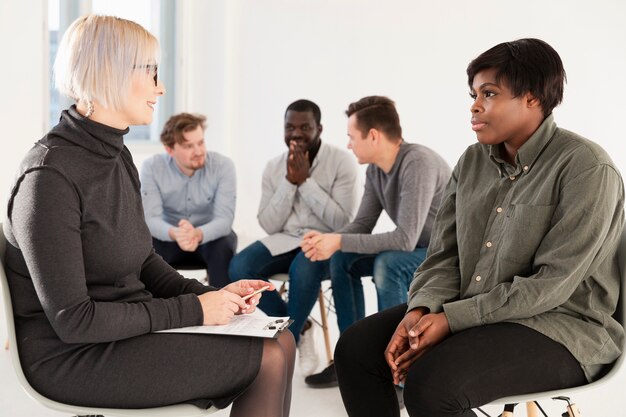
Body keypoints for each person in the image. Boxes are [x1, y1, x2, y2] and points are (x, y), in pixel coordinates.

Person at [3, 15, 295, 417]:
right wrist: (194, 311)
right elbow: (75, 322)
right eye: (151, 72)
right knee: (267, 355)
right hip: (71, 355)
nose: (161, 87)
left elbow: (142, 261)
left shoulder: (116, 155)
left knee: (282, 341)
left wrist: (210, 296)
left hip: (125, 331)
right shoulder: (48, 179)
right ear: (111, 72)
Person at [334, 38, 624, 417]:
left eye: (489, 94)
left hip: (564, 327)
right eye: (473, 94)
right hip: (476, 308)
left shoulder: (586, 168)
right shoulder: (472, 162)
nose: (474, 105)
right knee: (356, 349)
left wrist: (451, 321)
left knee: (433, 384)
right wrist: (420, 310)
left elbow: (551, 284)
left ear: (533, 98)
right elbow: (444, 255)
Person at [301, 96, 451, 388]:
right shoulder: (375, 171)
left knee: (388, 264)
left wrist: (339, 240)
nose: (348, 144)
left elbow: (404, 239)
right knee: (342, 259)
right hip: (417, 248)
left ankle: (399, 374)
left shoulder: (417, 163)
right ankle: (351, 359)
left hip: (444, 253)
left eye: (351, 137)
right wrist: (330, 240)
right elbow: (362, 225)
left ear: (373, 135)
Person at [229, 99, 358, 375]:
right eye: (289, 127)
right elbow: (268, 223)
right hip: (284, 239)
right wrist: (289, 182)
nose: (296, 133)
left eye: (304, 127)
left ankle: (281, 345)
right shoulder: (274, 167)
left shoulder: (341, 162)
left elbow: (343, 221)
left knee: (304, 267)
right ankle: (297, 329)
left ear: (319, 129)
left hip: (324, 242)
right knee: (239, 267)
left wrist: (306, 182)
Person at [141, 112, 237, 287]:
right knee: (147, 245)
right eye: (188, 146)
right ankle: (160, 310)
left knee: (224, 244)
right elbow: (151, 219)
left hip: (209, 237)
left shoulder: (223, 166)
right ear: (170, 149)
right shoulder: (152, 168)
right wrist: (176, 233)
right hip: (169, 236)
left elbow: (224, 220)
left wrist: (197, 233)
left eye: (201, 143)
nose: (199, 151)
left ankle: (224, 307)